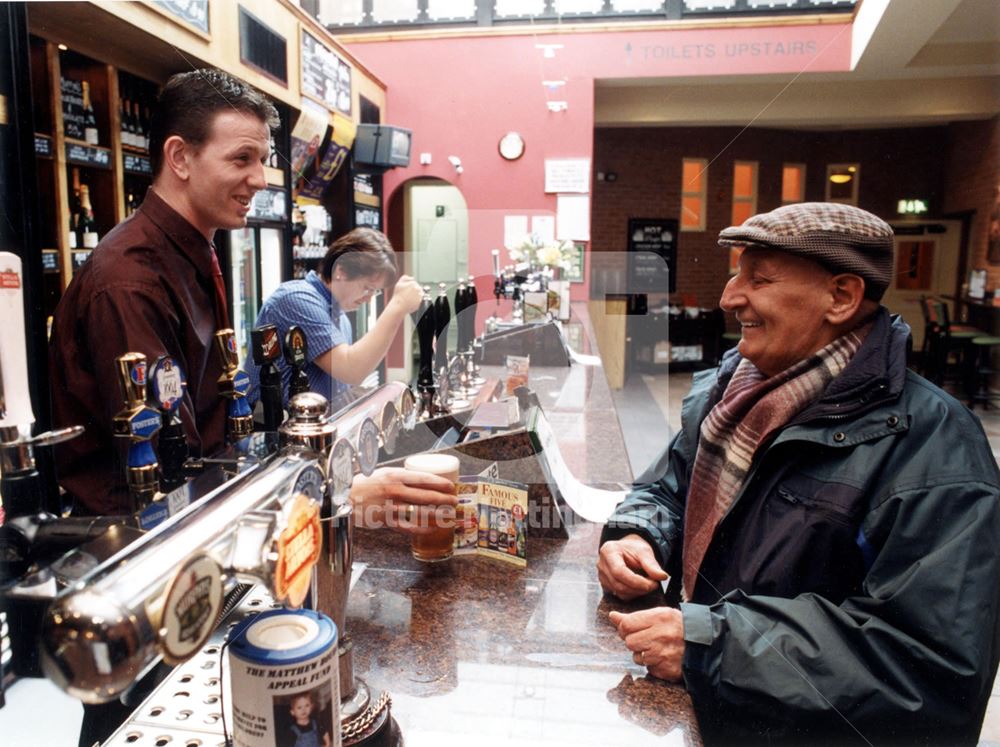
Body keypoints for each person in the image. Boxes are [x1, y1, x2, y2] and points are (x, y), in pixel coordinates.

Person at [597, 202, 1000, 745]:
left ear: (842, 296)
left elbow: (931, 670)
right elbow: (669, 484)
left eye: (758, 278)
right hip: (712, 715)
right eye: (736, 272)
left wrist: (716, 647)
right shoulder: (732, 393)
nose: (729, 296)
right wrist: (638, 532)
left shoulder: (936, 448)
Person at [50, 67, 277, 516]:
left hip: (195, 519)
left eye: (263, 160)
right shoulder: (130, 279)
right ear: (180, 158)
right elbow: (167, 451)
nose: (261, 179)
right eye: (242, 158)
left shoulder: (186, 254)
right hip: (139, 548)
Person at [246, 227, 422, 408]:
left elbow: (340, 390)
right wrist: (397, 306)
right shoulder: (296, 299)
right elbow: (351, 369)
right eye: (367, 287)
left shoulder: (341, 318)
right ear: (341, 271)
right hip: (271, 430)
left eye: (375, 291)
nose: (369, 298)